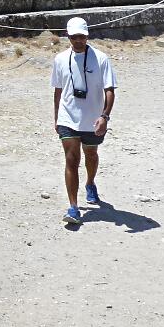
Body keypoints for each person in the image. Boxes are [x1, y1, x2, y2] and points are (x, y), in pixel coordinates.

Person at [52, 16, 118, 226]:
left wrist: (104, 116)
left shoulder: (101, 59)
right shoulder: (60, 59)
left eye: (81, 36)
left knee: (91, 154)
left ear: (87, 36)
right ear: (68, 37)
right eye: (74, 37)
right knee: (72, 160)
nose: (78, 41)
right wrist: (57, 118)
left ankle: (90, 183)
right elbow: (58, 90)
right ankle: (73, 207)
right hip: (68, 117)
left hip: (93, 119)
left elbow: (109, 90)